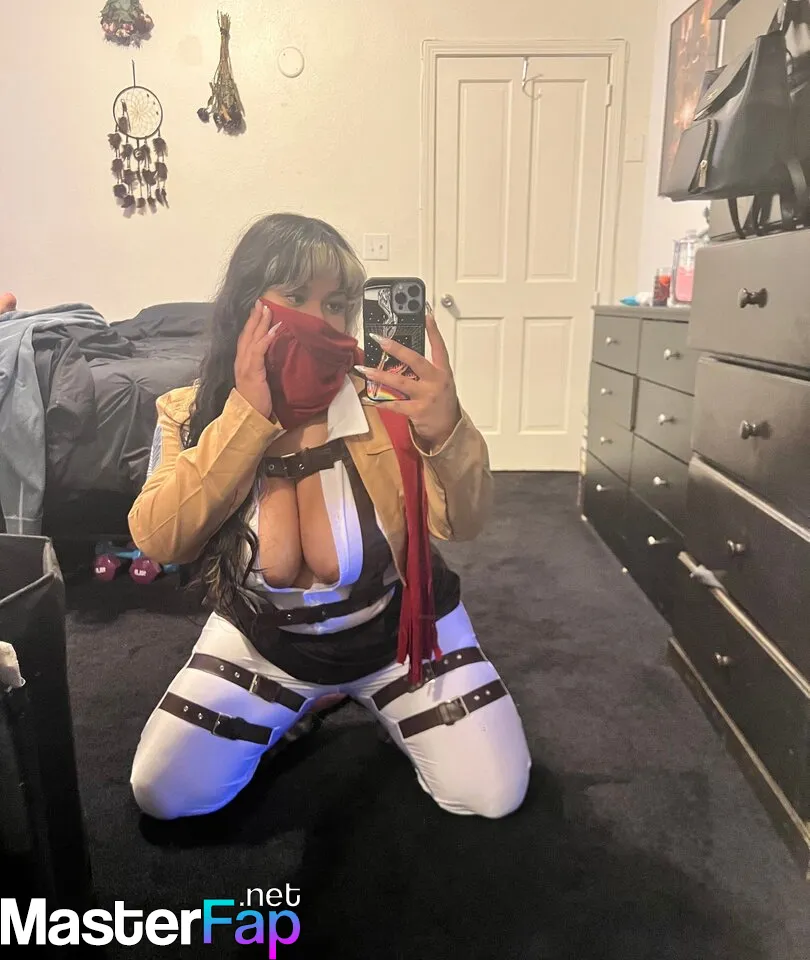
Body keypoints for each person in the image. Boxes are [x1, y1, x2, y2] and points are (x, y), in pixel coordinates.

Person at [128, 214, 531, 821]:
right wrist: (244, 418)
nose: (322, 322)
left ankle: (374, 699)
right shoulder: (189, 413)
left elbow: (464, 524)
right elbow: (160, 538)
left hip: (399, 634)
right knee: (167, 793)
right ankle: (308, 700)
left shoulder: (390, 400)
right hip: (266, 642)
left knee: (492, 794)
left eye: (338, 304)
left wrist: (446, 430)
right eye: (295, 297)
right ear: (247, 304)